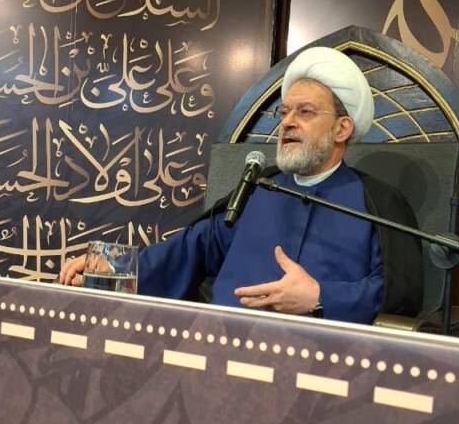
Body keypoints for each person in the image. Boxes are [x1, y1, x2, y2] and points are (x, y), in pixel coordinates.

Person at [59, 47, 423, 324]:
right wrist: (109, 266)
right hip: (222, 354)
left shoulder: (376, 202)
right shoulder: (258, 190)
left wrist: (319, 297)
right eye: (284, 112)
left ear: (342, 128)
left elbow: (399, 296)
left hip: (320, 370)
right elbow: (188, 250)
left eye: (305, 112)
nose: (287, 123)